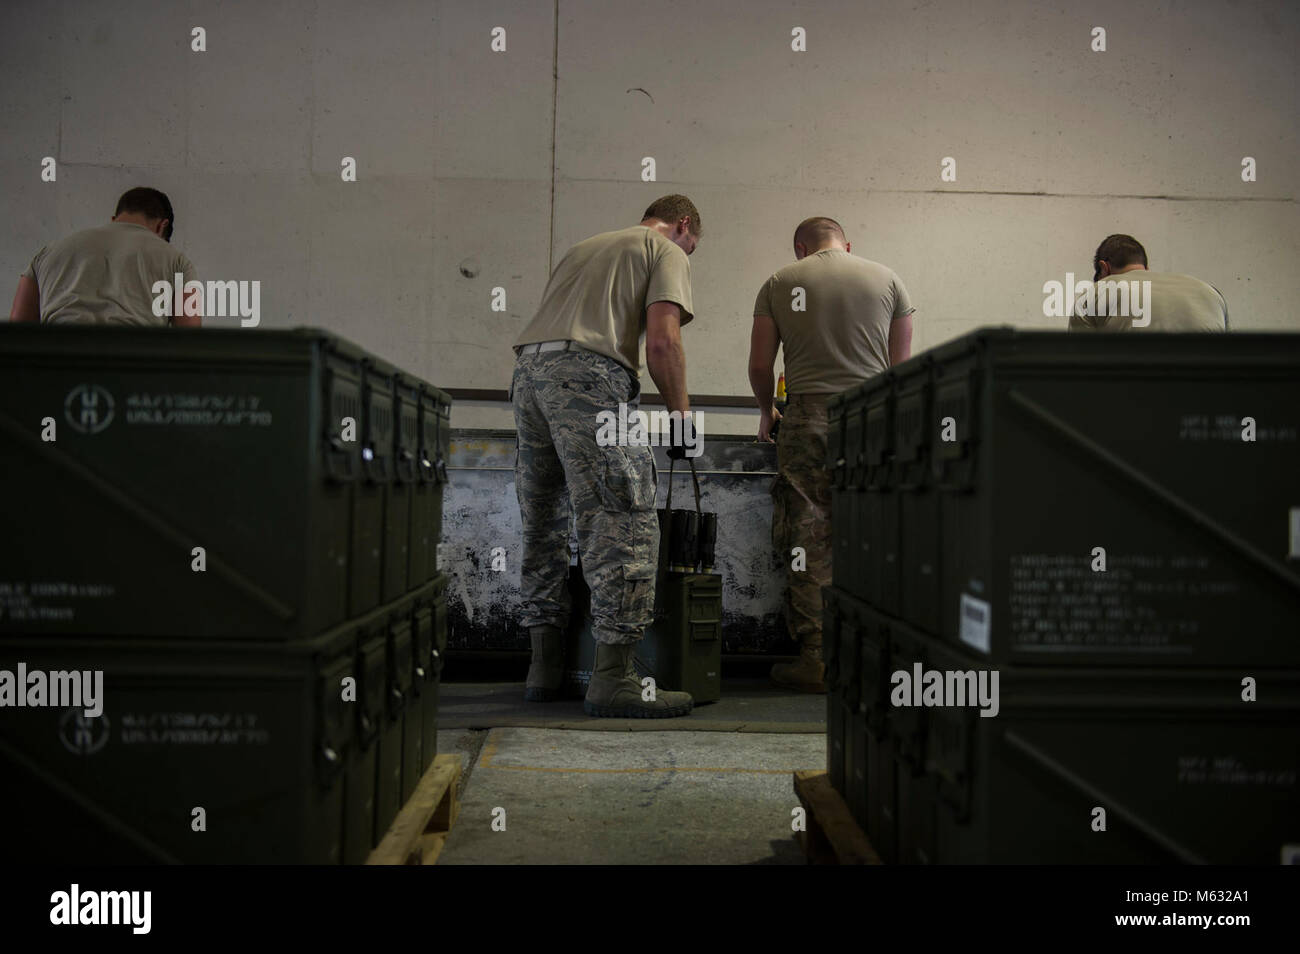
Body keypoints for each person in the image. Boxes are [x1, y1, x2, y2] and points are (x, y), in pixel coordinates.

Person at [512, 194, 701, 717]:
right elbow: (662, 342)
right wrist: (682, 419)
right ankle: (614, 678)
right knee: (623, 517)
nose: (689, 256)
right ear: (683, 225)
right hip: (591, 378)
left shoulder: (583, 248)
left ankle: (544, 669)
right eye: (693, 245)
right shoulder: (666, 249)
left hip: (529, 375)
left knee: (542, 519)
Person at [749, 216, 914, 693]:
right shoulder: (889, 279)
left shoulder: (781, 281)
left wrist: (767, 412)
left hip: (807, 417)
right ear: (847, 243)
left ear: (801, 247)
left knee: (808, 534)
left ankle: (818, 660)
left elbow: (761, 365)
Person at [9, 186, 201, 326]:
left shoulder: (47, 254)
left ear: (114, 219)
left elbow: (17, 335)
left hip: (61, 369)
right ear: (162, 226)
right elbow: (189, 345)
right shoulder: (177, 262)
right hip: (132, 371)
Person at [1069, 234, 1227, 331]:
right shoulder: (1209, 292)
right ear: (1146, 268)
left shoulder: (1096, 293)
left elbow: (1080, 366)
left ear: (1104, 268)